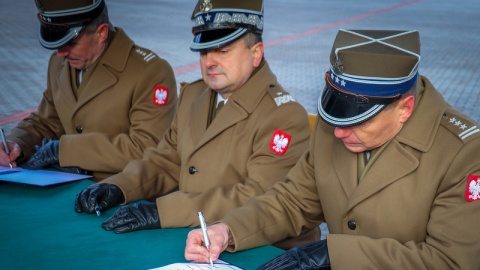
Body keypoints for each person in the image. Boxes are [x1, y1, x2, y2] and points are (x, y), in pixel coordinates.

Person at [184, 29, 480, 269]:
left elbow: (450, 260)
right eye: (337, 115)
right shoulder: (333, 131)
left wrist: (334, 254)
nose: (338, 131)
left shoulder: (463, 153)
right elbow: (293, 201)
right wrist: (227, 230)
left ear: (404, 108)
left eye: (358, 119)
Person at [73, 0, 313, 244]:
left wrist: (164, 211)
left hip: (257, 248)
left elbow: (256, 197)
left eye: (223, 51)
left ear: (255, 53)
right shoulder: (193, 96)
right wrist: (118, 187)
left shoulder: (284, 115)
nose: (209, 62)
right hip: (194, 234)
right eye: (204, 51)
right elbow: (166, 162)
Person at [0, 0, 177, 180]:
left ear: (101, 33)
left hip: (121, 193)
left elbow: (147, 147)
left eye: (71, 42)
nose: (61, 52)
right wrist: (16, 143)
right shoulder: (59, 64)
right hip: (67, 184)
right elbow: (48, 121)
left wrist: (67, 150)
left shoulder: (149, 72)